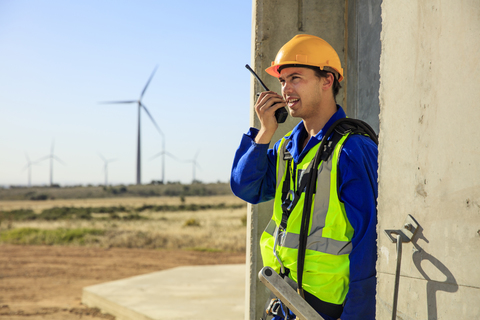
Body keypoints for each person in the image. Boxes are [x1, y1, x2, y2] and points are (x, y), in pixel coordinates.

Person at [230, 34, 378, 320]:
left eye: (296, 78)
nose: (285, 89)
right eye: (282, 80)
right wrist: (264, 133)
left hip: (326, 310)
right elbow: (246, 188)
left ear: (328, 80)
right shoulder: (286, 147)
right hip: (284, 301)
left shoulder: (352, 149)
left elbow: (368, 243)